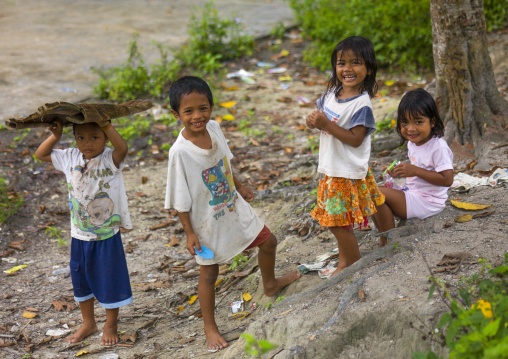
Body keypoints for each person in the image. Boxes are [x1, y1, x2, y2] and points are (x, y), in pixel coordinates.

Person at [164, 76, 301, 352]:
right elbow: (179, 200)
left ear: (211, 107)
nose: (197, 116)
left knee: (269, 241)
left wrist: (239, 186)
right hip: (206, 222)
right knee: (209, 273)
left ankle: (270, 284)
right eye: (188, 111)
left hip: (233, 207)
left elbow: (223, 163)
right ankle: (209, 327)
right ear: (176, 114)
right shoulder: (179, 153)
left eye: (202, 108)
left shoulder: (214, 128)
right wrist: (189, 233)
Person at [35, 118, 133, 346]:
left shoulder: (110, 159)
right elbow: (41, 155)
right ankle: (88, 323)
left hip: (106, 236)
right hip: (79, 236)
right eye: (81, 137)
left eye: (94, 137)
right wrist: (55, 137)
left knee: (109, 279)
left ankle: (110, 324)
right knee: (81, 280)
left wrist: (107, 125)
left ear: (106, 138)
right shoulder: (70, 157)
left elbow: (123, 148)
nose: (87, 143)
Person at [306, 36, 385, 275]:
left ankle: (351, 262)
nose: (347, 69)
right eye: (341, 63)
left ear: (368, 68)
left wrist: (326, 125)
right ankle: (386, 241)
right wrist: (313, 121)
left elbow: (355, 139)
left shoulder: (362, 105)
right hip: (333, 167)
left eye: (355, 62)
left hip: (344, 172)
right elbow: (320, 115)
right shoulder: (333, 92)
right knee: (371, 204)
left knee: (336, 222)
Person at [371, 88, 454, 245]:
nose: (410, 128)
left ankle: (388, 243)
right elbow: (417, 170)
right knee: (372, 192)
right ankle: (385, 238)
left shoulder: (438, 147)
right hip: (414, 193)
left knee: (375, 193)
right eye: (405, 122)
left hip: (429, 201)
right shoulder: (413, 143)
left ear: (433, 121)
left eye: (418, 122)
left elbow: (447, 179)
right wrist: (399, 172)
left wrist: (414, 170)